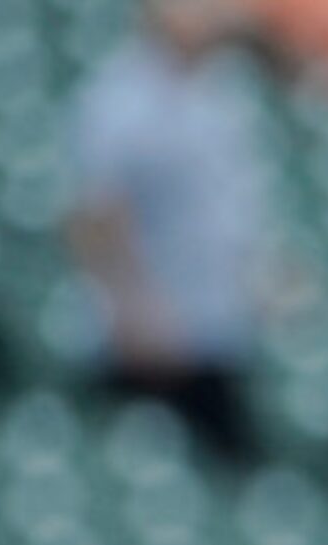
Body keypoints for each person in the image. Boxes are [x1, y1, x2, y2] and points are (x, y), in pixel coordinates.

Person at [69, 0, 270, 462]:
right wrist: (134, 309)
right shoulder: (119, 99)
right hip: (145, 338)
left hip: (217, 328)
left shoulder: (224, 90)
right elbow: (94, 217)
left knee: (233, 468)